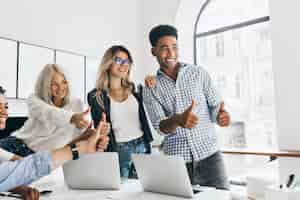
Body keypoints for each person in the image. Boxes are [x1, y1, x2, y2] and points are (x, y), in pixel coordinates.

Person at [143, 25, 231, 190]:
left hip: (210, 156)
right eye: (164, 48)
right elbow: (160, 127)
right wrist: (177, 120)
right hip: (177, 163)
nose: (171, 53)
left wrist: (221, 116)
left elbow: (215, 107)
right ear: (153, 51)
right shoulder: (150, 87)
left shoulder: (198, 73)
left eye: (174, 47)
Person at [0, 85, 110, 199]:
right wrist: (80, 147)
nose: (4, 112)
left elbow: (24, 166)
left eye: (6, 107)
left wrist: (82, 140)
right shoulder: (37, 103)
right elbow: (30, 167)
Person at [87, 45, 153, 179]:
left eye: (127, 61)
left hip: (142, 145)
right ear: (108, 63)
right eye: (118, 60)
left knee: (143, 190)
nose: (124, 64)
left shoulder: (133, 89)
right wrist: (102, 131)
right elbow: (99, 132)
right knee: (121, 192)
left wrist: (152, 83)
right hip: (119, 149)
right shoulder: (96, 96)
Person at [0, 64, 92, 157]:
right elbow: (48, 113)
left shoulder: (77, 104)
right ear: (46, 85)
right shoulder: (34, 99)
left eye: (64, 82)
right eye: (54, 84)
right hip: (16, 146)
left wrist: (89, 129)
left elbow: (82, 130)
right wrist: (72, 117)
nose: (60, 87)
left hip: (41, 158)